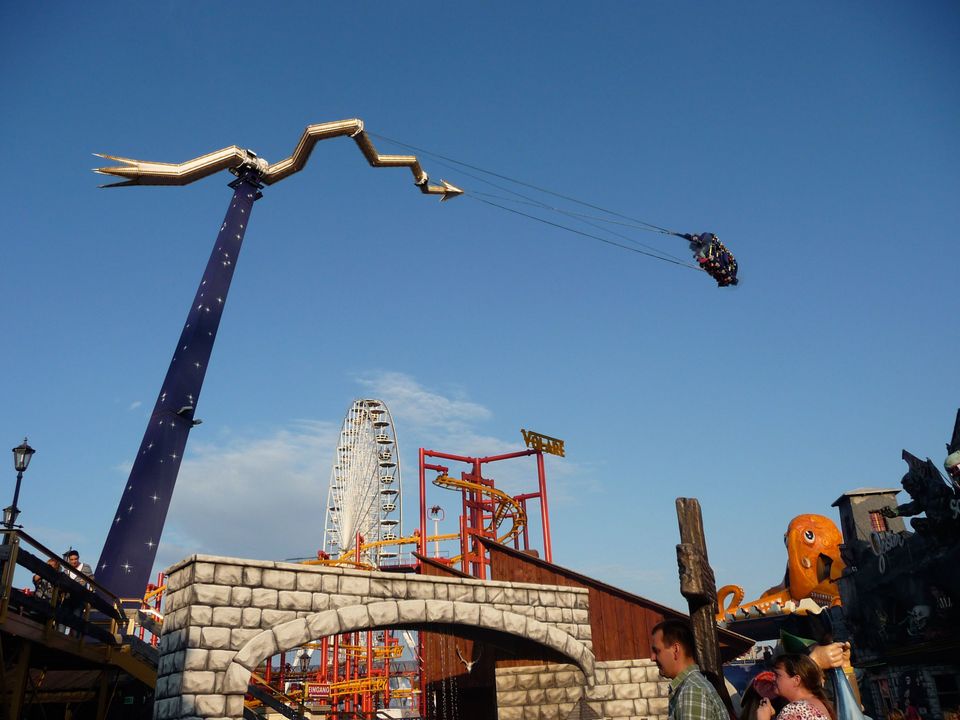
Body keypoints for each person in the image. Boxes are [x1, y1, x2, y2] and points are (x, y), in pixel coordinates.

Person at [650, 618, 729, 720]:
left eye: (657, 651)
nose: (652, 658)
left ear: (675, 650)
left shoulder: (691, 691)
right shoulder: (691, 687)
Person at [756, 654, 836, 720]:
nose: (773, 679)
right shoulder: (816, 703)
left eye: (777, 675)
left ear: (796, 680)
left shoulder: (794, 710)